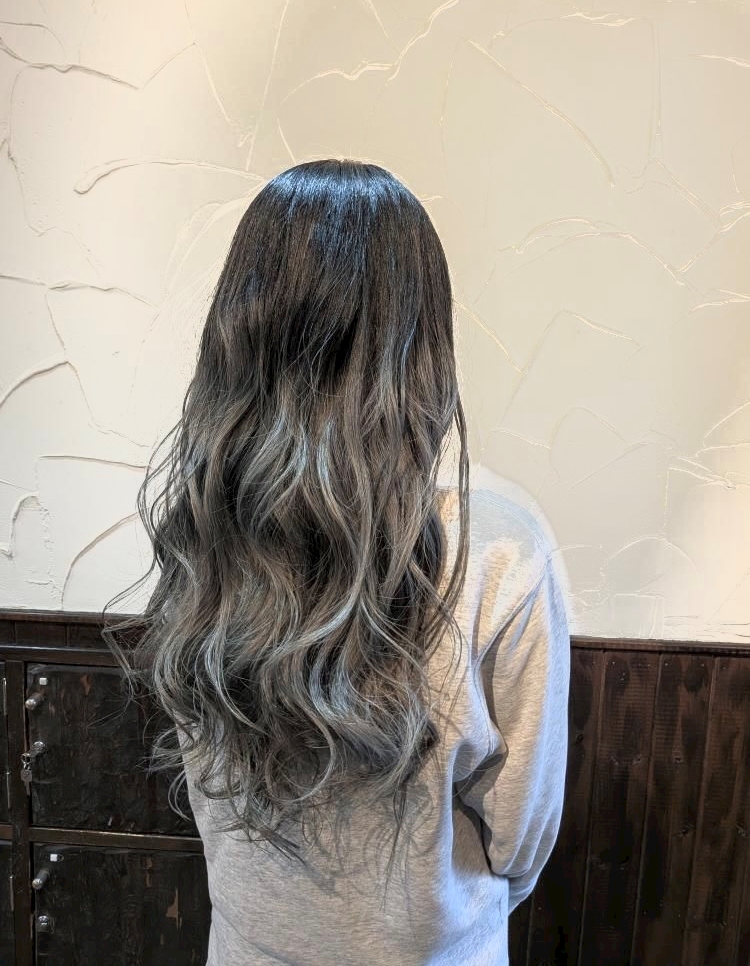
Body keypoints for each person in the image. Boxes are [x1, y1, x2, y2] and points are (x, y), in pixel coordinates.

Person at [102, 158, 572, 966]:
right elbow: (520, 836)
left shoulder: (207, 520)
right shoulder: (502, 546)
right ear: (423, 330)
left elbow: (206, 768)